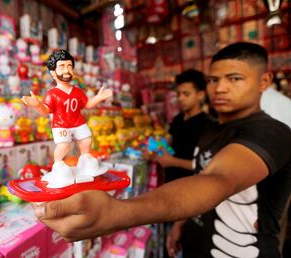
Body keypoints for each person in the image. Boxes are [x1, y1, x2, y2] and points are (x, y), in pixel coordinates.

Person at [31, 42, 291, 258]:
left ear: (264, 81)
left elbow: (217, 180)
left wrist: (117, 213)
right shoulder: (210, 129)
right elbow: (198, 177)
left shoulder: (272, 133)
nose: (220, 88)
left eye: (234, 78)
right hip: (194, 246)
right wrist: (180, 225)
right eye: (214, 79)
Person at [21, 49, 112, 188]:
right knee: (64, 145)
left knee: (86, 139)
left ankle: (85, 158)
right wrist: (37, 105)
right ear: (53, 73)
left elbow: (86, 104)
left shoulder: (77, 91)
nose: (67, 70)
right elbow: (46, 111)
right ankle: (58, 163)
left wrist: (98, 98)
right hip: (61, 125)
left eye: (70, 66)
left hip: (78, 122)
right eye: (62, 66)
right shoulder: (52, 94)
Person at [155, 69, 212, 182]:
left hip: (190, 185)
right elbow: (168, 140)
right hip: (171, 180)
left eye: (186, 94)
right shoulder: (178, 119)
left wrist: (172, 161)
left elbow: (207, 164)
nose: (180, 98)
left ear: (200, 95)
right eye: (178, 94)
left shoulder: (207, 124)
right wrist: (155, 149)